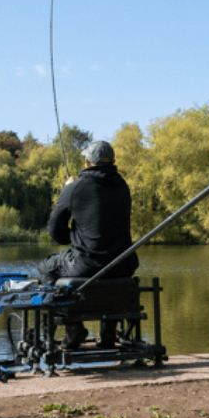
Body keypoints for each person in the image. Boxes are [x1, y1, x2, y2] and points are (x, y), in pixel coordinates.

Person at [38, 139, 138, 348]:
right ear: (112, 161)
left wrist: (67, 190)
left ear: (87, 161)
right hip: (123, 263)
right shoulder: (122, 186)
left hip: (88, 264)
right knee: (107, 266)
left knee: (46, 267)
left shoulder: (75, 188)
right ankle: (108, 333)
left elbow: (55, 231)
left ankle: (73, 328)